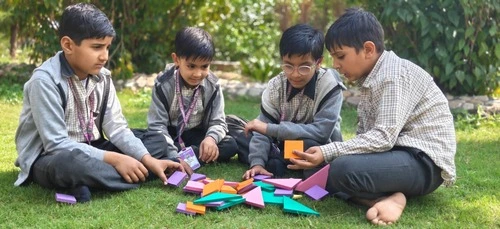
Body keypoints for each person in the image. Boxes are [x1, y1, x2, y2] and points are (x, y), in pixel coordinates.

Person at [288, 8, 457, 226]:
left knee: (341, 168)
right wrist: (326, 153)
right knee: (319, 163)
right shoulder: (373, 77)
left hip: (422, 163)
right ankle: (385, 199)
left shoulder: (392, 76)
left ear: (368, 49)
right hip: (394, 156)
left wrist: (330, 152)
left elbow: (383, 137)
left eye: (341, 56)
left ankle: (387, 197)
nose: (336, 65)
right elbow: (368, 142)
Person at [14, 3, 183, 203]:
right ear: (68, 45)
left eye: (107, 47)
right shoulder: (44, 81)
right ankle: (138, 175)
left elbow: (118, 129)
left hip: (93, 146)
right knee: (68, 165)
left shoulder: (102, 77)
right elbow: (56, 144)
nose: (104, 56)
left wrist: (148, 159)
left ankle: (115, 175)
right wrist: (116, 159)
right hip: (50, 156)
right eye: (96, 47)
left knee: (156, 141)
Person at [242, 24, 346, 179]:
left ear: (318, 63)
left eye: (304, 67)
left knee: (309, 144)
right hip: (281, 143)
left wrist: (270, 129)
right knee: (243, 138)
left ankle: (283, 162)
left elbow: (321, 132)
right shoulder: (276, 85)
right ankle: (277, 161)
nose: (295, 74)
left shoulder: (329, 85)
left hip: (318, 146)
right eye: (288, 66)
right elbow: (262, 130)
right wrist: (257, 163)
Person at [147, 27, 237, 175]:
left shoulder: (213, 85)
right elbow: (157, 126)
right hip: (170, 135)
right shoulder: (163, 84)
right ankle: (179, 157)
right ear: (176, 59)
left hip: (197, 135)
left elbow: (218, 121)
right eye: (191, 66)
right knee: (154, 143)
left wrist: (211, 139)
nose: (197, 73)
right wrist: (172, 152)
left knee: (230, 144)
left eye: (204, 66)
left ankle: (187, 156)